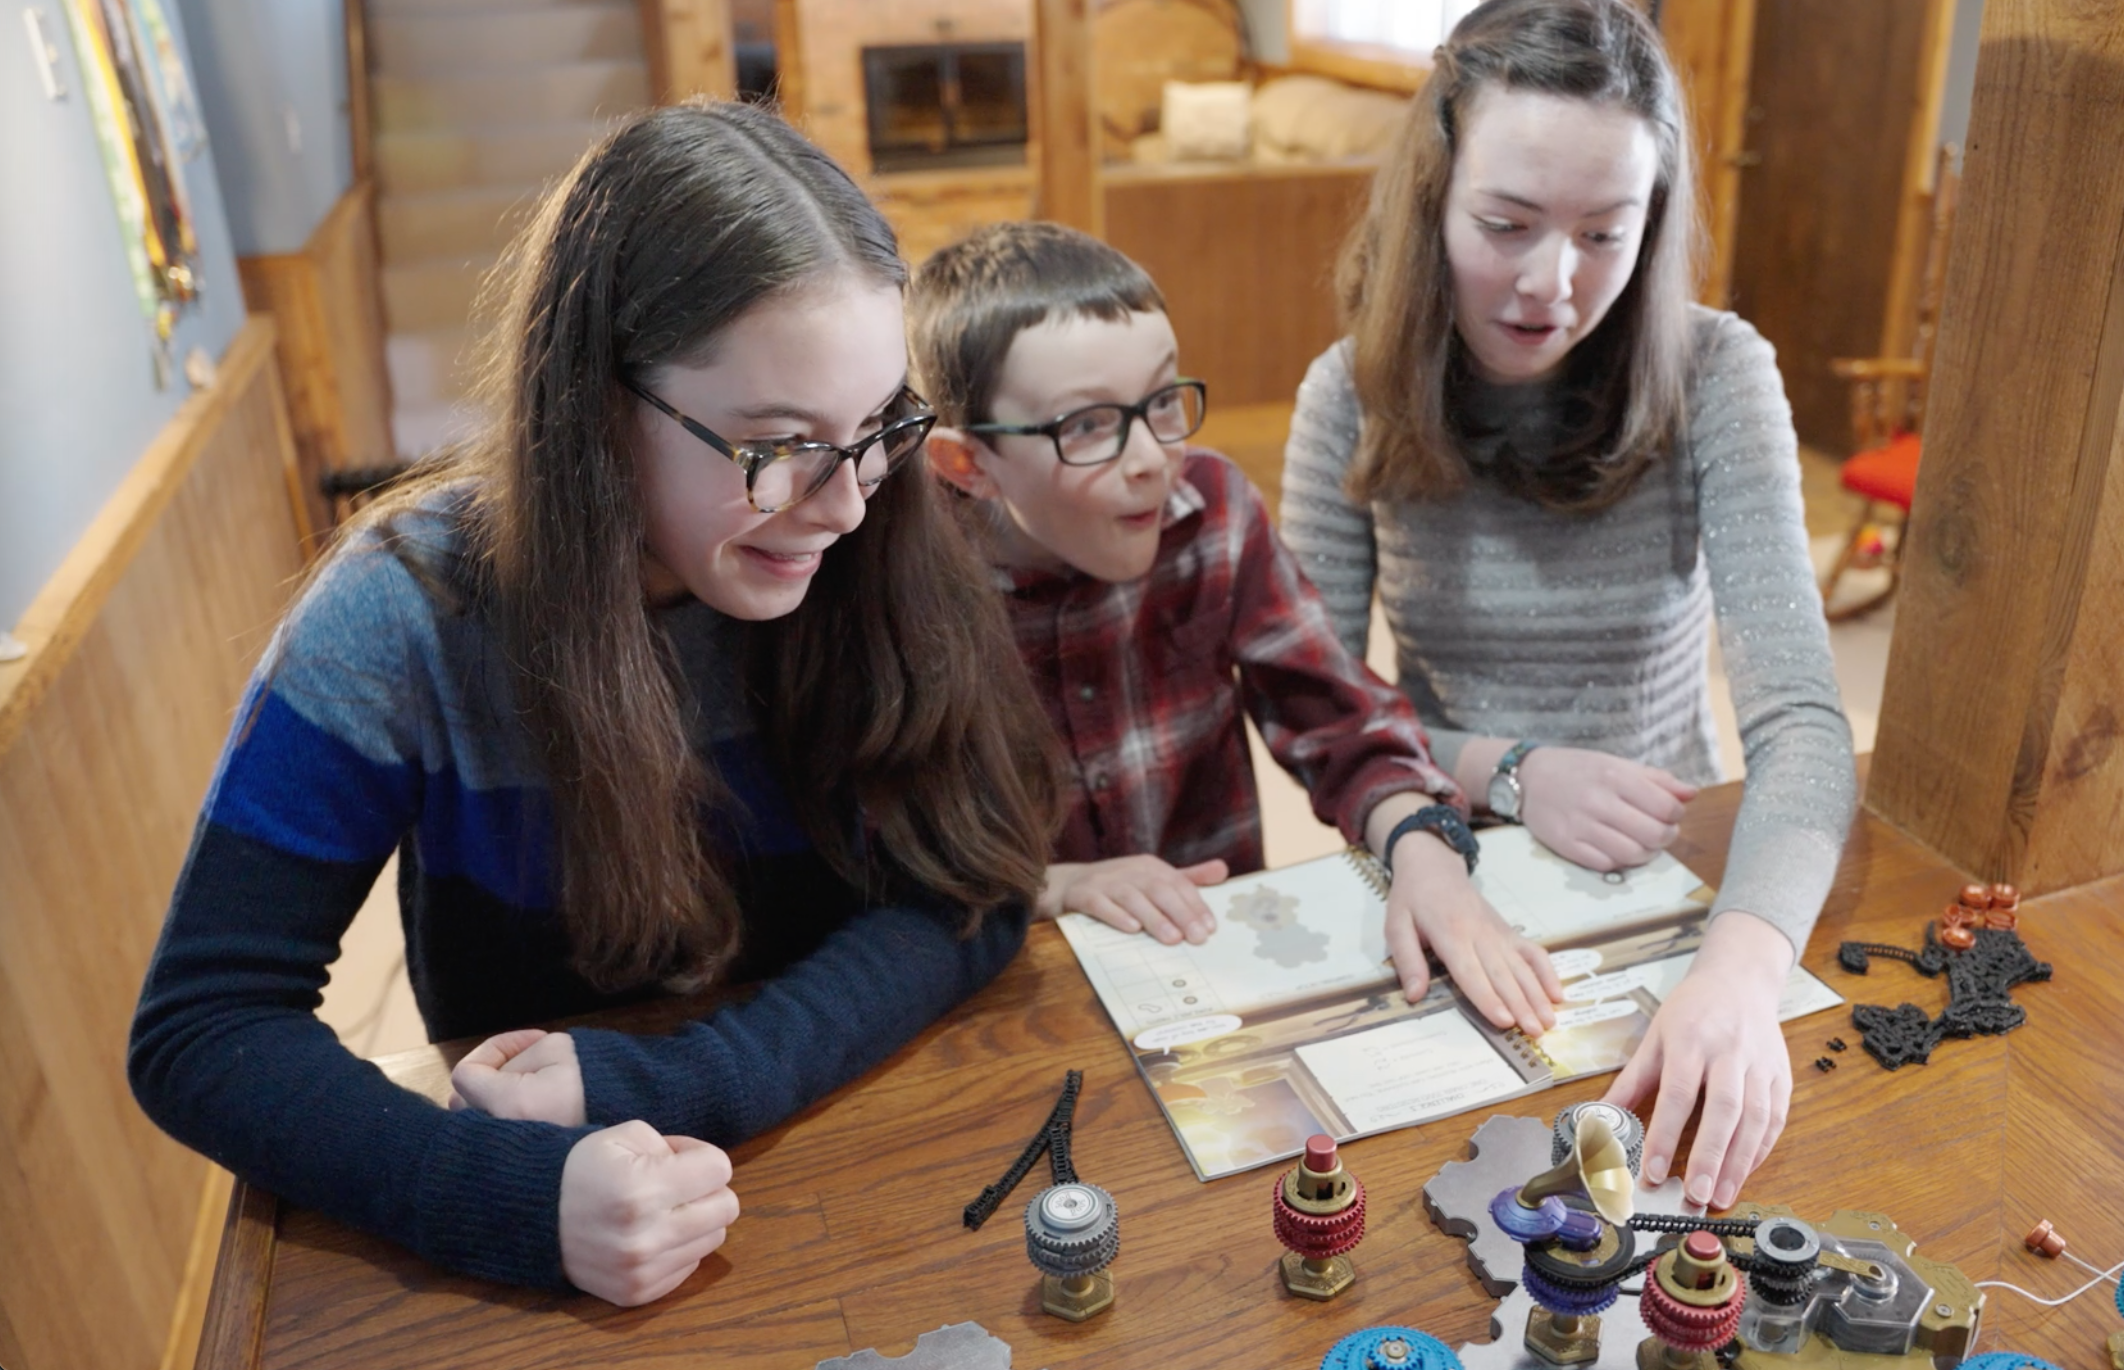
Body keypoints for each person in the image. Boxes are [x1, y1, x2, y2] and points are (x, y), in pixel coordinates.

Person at [125, 102, 1064, 1305]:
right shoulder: (401, 616)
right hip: (594, 1262)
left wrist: (683, 1082)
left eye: (877, 424)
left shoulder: (879, 525)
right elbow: (204, 1027)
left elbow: (973, 883)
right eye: (778, 445)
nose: (845, 505)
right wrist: (501, 1192)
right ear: (598, 408)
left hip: (854, 1178)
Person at [1279, 0, 1857, 1211]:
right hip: (1445, 856)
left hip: (1677, 853)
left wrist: (1746, 965)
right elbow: (1312, 706)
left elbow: (1803, 720)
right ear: (1432, 197)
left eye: (1605, 233)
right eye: (1504, 224)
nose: (1553, 283)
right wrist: (1504, 767)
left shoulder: (1714, 371)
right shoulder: (1347, 393)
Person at [909, 221, 1562, 1034]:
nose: (1150, 455)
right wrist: (1060, 886)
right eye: (1085, 426)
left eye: (1159, 403)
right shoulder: (909, 591)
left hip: (1211, 966)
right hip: (1004, 992)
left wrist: (1425, 853)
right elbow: (883, 862)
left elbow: (1338, 718)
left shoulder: (1212, 509)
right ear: (966, 464)